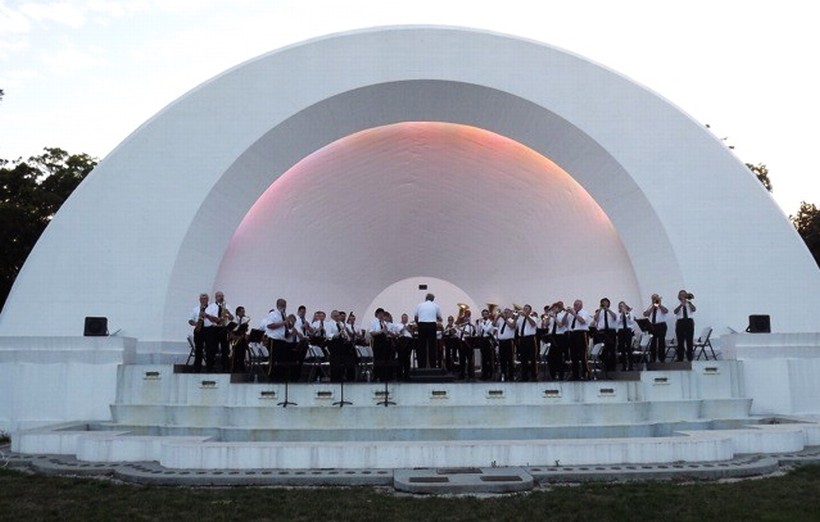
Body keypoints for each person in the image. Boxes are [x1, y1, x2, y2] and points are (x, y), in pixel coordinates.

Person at [564, 299, 592, 380]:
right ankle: (575, 374)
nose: (575, 306)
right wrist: (566, 314)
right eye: (574, 305)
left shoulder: (584, 313)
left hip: (582, 333)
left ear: (581, 305)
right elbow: (565, 323)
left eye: (577, 305)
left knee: (583, 354)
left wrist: (574, 314)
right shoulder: (570, 315)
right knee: (573, 355)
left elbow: (582, 321)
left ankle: (586, 373)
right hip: (572, 333)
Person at [263, 298, 290, 380]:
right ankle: (270, 375)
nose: (284, 307)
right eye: (282, 305)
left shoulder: (283, 315)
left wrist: (288, 324)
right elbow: (269, 325)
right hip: (274, 339)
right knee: (273, 359)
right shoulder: (273, 314)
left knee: (281, 359)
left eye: (285, 306)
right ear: (278, 305)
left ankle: (279, 376)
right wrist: (282, 323)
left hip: (282, 339)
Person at [414, 293, 442, 369]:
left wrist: (418, 324)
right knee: (432, 346)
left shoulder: (419, 305)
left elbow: (416, 317)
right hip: (432, 325)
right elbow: (439, 318)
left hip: (422, 325)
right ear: (433, 299)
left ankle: (421, 366)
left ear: (426, 298)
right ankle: (433, 366)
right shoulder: (436, 306)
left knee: (421, 346)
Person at [593, 298, 617, 373]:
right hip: (602, 331)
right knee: (604, 349)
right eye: (603, 302)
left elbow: (614, 317)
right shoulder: (600, 312)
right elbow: (595, 319)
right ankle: (605, 366)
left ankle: (612, 366)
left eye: (606, 302)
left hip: (611, 331)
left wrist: (607, 309)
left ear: (608, 303)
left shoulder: (613, 310)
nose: (604, 304)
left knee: (612, 348)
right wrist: (600, 309)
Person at [515, 304, 539, 381]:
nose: (524, 310)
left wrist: (527, 316)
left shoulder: (533, 317)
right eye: (524, 308)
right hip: (522, 339)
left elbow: (533, 324)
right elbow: (514, 326)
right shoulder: (520, 318)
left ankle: (534, 376)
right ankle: (524, 376)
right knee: (523, 358)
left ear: (530, 310)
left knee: (532, 358)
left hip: (530, 338)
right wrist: (516, 317)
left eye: (526, 309)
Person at [643, 293, 669, 363]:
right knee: (653, 342)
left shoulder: (663, 305)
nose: (654, 300)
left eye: (655, 298)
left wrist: (659, 305)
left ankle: (662, 359)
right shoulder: (650, 306)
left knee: (661, 342)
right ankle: (653, 358)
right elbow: (645, 314)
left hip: (661, 325)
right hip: (652, 325)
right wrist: (653, 307)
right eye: (653, 298)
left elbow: (666, 311)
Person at [187, 293, 209, 372]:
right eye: (202, 299)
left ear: (207, 300)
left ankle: (209, 367)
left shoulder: (211, 308)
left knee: (209, 348)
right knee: (198, 349)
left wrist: (207, 316)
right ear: (199, 300)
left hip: (208, 329)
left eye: (205, 299)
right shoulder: (195, 309)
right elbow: (190, 320)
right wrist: (195, 323)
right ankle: (197, 367)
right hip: (198, 329)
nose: (203, 300)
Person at [546, 301, 568, 380]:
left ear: (559, 308)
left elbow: (560, 325)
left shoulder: (563, 315)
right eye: (553, 308)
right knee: (550, 357)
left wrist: (555, 317)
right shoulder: (551, 316)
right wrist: (548, 317)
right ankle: (553, 374)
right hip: (552, 336)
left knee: (559, 356)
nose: (553, 309)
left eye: (555, 308)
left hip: (560, 336)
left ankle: (561, 374)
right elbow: (545, 325)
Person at [213, 291, 234, 372]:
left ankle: (225, 366)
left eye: (222, 296)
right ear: (216, 297)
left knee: (225, 348)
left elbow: (232, 318)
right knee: (213, 347)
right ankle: (213, 366)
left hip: (224, 328)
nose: (220, 297)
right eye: (219, 296)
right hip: (215, 328)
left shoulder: (227, 306)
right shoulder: (212, 306)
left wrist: (228, 312)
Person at [674, 290, 697, 361]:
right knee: (680, 340)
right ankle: (680, 358)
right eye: (681, 295)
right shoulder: (677, 303)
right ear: (679, 296)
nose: (683, 296)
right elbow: (675, 312)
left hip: (689, 321)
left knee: (689, 340)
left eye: (684, 295)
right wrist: (681, 305)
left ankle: (690, 358)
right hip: (680, 322)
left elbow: (694, 309)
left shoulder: (689, 302)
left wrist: (689, 303)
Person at [495, 308, 516, 382]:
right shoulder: (500, 321)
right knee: (502, 359)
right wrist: (497, 316)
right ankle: (504, 374)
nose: (505, 314)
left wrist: (505, 318)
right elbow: (493, 324)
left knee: (510, 359)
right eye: (504, 312)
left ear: (511, 313)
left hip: (509, 342)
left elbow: (512, 326)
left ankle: (511, 375)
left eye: (507, 312)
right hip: (501, 342)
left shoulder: (512, 320)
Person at [616, 301, 636, 371]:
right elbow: (618, 322)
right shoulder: (617, 314)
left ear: (625, 306)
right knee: (622, 348)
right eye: (620, 306)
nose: (622, 307)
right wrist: (622, 314)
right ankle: (624, 366)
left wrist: (626, 313)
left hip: (628, 330)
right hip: (621, 331)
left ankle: (630, 365)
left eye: (623, 306)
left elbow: (631, 322)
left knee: (629, 347)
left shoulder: (630, 313)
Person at [229, 305, 250, 373]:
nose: (243, 313)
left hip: (242, 337)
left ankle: (241, 367)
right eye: (242, 312)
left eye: (244, 312)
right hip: (235, 336)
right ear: (238, 312)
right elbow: (230, 329)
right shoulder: (234, 319)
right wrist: (234, 336)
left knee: (242, 352)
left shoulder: (244, 320)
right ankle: (234, 368)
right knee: (236, 353)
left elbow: (245, 329)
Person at [457, 309, 476, 380]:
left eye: (467, 317)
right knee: (462, 360)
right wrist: (458, 328)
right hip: (461, 344)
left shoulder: (470, 326)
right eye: (465, 317)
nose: (465, 319)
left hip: (468, 344)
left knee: (469, 360)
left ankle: (470, 374)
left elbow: (467, 333)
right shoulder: (461, 326)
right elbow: (458, 335)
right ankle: (462, 374)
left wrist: (460, 329)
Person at [477, 309, 496, 380]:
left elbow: (487, 330)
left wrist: (481, 324)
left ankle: (490, 374)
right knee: (483, 358)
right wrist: (478, 325)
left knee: (489, 358)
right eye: (483, 314)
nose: (484, 315)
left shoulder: (490, 322)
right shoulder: (481, 323)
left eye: (486, 314)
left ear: (488, 315)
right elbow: (478, 332)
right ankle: (484, 374)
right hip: (482, 340)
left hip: (488, 340)